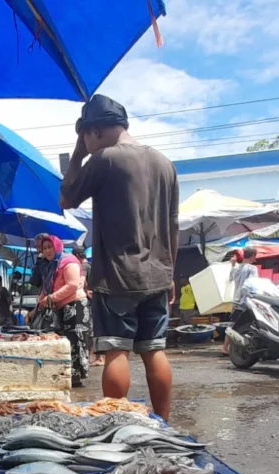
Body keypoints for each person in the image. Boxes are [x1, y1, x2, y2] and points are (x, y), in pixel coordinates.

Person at [60, 94, 179, 419]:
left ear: (93, 131)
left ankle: (117, 426)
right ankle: (164, 425)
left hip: (116, 277)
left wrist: (78, 153)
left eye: (85, 136)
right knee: (154, 351)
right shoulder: (163, 164)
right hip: (157, 276)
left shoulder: (105, 160)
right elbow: (172, 226)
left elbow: (67, 198)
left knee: (116, 352)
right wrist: (170, 275)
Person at [37, 235, 90, 387]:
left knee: (76, 342)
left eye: (49, 247)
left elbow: (72, 285)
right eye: (44, 248)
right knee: (64, 343)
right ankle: (66, 375)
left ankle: (76, 377)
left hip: (75, 306)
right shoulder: (50, 265)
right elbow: (46, 288)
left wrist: (50, 299)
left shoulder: (69, 262)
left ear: (57, 246)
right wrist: (37, 307)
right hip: (60, 308)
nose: (47, 251)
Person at [223, 247, 259, 356]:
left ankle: (225, 347)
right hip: (246, 301)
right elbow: (253, 284)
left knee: (233, 324)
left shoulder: (236, 269)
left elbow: (230, 278)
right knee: (247, 324)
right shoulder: (252, 269)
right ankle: (230, 347)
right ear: (252, 256)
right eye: (255, 256)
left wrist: (233, 264)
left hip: (236, 300)